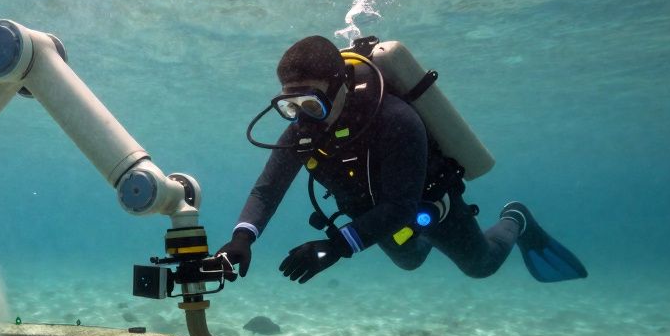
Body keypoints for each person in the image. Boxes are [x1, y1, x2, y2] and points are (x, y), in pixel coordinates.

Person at [215, 35, 587, 285]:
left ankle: (516, 219)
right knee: (410, 260)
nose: (303, 117)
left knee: (481, 266)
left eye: (312, 103)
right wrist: (241, 239)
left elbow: (400, 206)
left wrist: (339, 245)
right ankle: (419, 240)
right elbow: (267, 189)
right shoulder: (302, 130)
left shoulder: (394, 119)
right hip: (373, 216)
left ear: (342, 84)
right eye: (291, 106)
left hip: (426, 204)